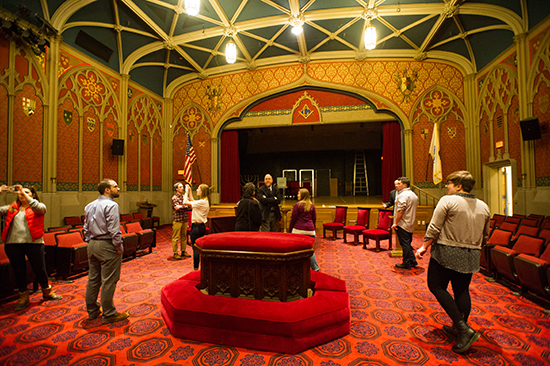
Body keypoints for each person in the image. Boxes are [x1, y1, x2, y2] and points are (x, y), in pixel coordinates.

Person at [415, 171, 490, 354]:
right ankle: (460, 328)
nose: (446, 186)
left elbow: (434, 226)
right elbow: (486, 235)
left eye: (449, 183)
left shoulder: (447, 201)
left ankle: (463, 329)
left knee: (436, 286)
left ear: (459, 186)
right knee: (461, 290)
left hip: (446, 252)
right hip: (471, 254)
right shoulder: (483, 206)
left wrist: (424, 246)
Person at [0, 184, 62, 310]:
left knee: (40, 269)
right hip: (13, 244)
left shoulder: (38, 207)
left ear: (33, 195)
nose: (22, 194)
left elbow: (39, 208)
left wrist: (25, 195)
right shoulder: (12, 208)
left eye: (27, 192)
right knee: (19, 271)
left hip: (34, 244)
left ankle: (47, 291)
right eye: (21, 192)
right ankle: (23, 296)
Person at [83, 179, 129, 324]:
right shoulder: (112, 205)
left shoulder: (89, 205)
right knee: (109, 280)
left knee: (93, 279)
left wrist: (90, 241)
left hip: (92, 244)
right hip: (107, 245)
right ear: (107, 190)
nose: (119, 188)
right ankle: (108, 313)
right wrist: (119, 247)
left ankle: (92, 310)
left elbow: (85, 228)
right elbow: (114, 229)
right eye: (115, 186)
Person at [289, 188, 320, 271]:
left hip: (298, 230)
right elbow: (314, 219)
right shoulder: (312, 205)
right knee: (310, 250)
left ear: (302, 195)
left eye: (299, 194)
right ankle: (315, 268)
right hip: (310, 230)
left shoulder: (297, 205)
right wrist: (313, 229)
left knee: (297, 250)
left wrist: (290, 230)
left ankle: (297, 268)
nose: (297, 195)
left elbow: (293, 219)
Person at [391, 176, 418, 270]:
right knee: (408, 243)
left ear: (405, 185)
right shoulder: (413, 194)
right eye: (395, 184)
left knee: (405, 244)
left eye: (399, 184)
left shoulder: (402, 195)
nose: (396, 186)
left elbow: (400, 211)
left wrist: (395, 223)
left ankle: (406, 263)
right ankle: (413, 260)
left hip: (402, 223)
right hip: (410, 222)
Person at [184, 183, 210, 270]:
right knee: (197, 248)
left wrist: (185, 192)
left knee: (195, 249)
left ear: (202, 191)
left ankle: (196, 268)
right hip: (200, 227)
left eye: (198, 188)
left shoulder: (202, 202)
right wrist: (190, 192)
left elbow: (185, 202)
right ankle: (198, 268)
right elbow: (192, 201)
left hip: (197, 228)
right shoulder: (204, 201)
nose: (197, 190)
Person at [171, 182, 191, 260]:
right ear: (176, 189)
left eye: (182, 187)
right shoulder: (174, 198)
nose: (182, 188)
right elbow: (177, 207)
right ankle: (175, 253)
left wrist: (184, 205)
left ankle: (183, 251)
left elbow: (189, 205)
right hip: (177, 220)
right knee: (175, 237)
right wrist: (184, 205)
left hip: (184, 219)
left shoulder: (184, 196)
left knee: (184, 236)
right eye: (180, 187)